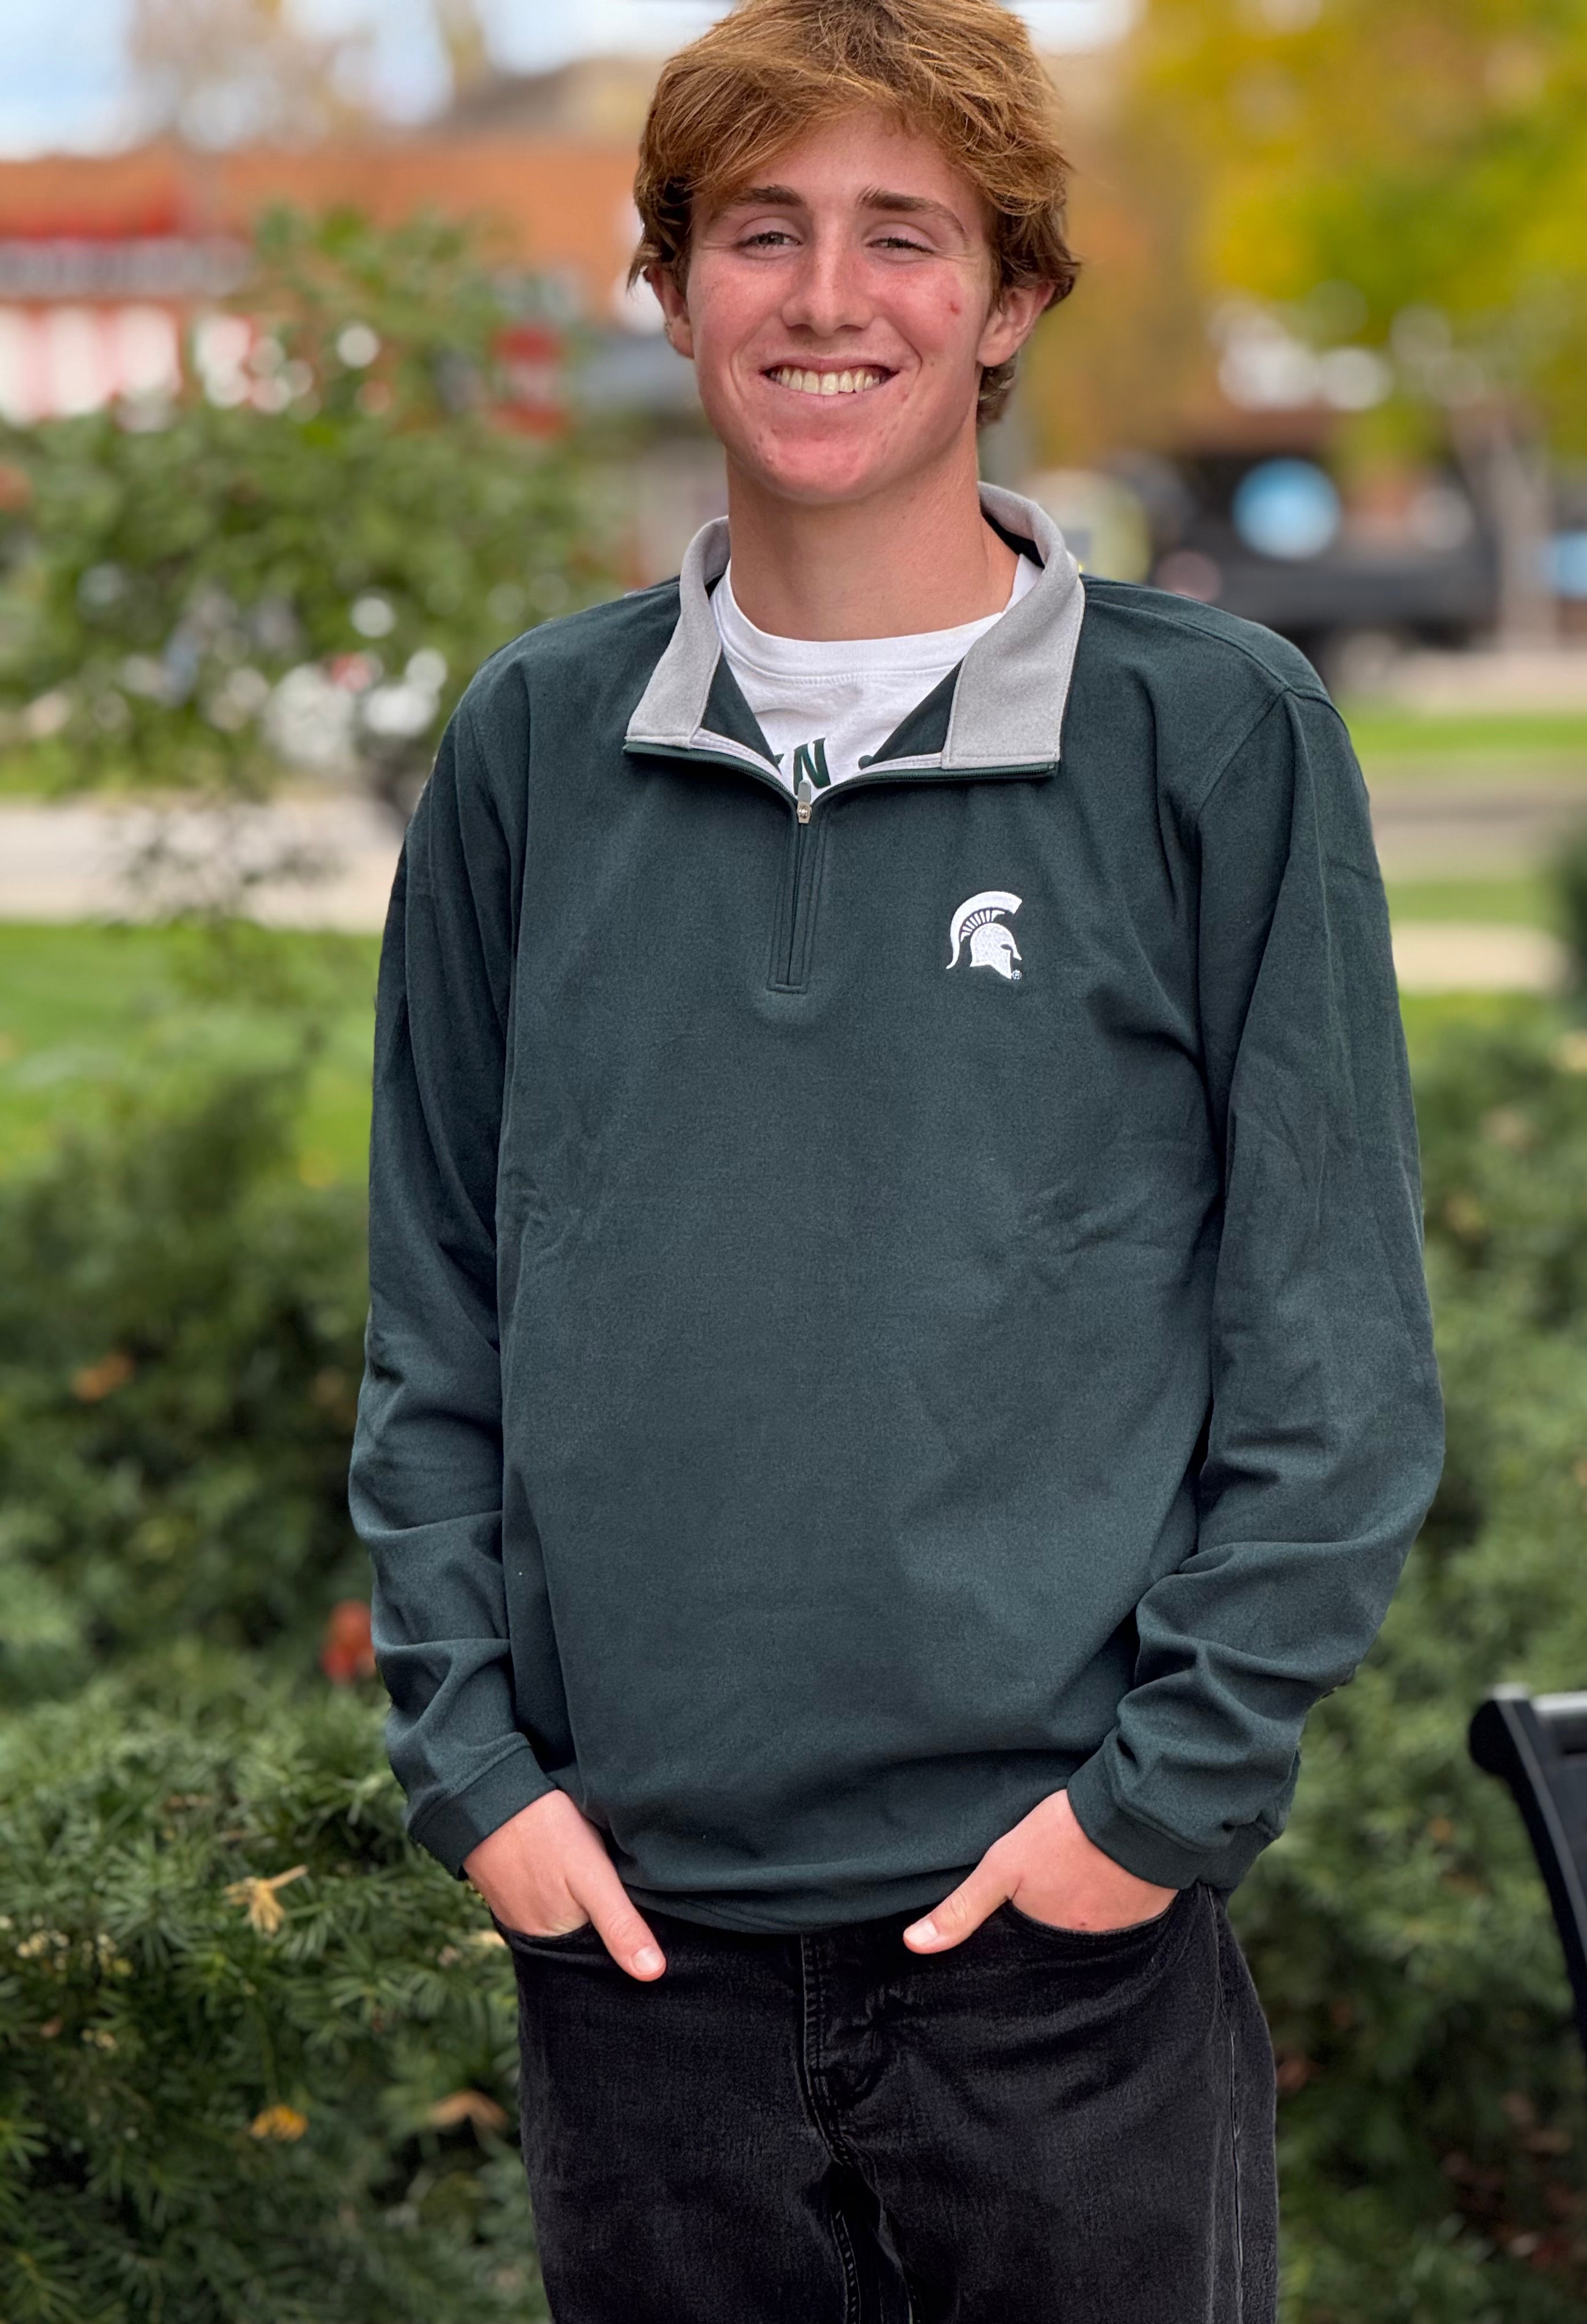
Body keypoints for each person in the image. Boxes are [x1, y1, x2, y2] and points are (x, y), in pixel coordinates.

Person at [349, 1, 1444, 2317]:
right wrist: (477, 1776)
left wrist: (1157, 1815)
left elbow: (1333, 1349)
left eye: (902, 236)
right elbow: (438, 1297)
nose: (826, 295)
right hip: (633, 1947)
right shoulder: (535, 747)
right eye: (759, 232)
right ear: (667, 282)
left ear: (1011, 300)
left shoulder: (1213, 740)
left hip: (1058, 1958)